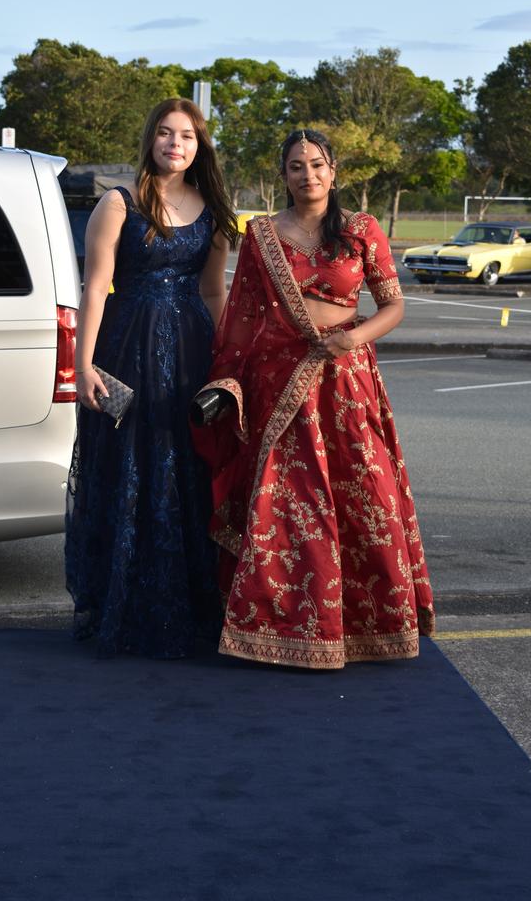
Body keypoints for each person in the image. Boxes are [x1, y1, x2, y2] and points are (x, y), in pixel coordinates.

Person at [192, 128, 435, 669]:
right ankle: (284, 628)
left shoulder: (360, 229)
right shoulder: (261, 235)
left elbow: (393, 307)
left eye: (318, 165)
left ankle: (373, 625)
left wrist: (354, 336)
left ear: (334, 171)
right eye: (297, 166)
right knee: (289, 506)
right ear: (283, 175)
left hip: (346, 380)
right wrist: (229, 377)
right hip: (279, 382)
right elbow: (243, 316)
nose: (309, 175)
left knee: (365, 494)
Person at [65, 98, 238, 659]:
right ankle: (124, 605)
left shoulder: (213, 211)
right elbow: (94, 288)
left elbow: (214, 291)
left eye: (186, 136)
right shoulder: (119, 202)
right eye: (165, 133)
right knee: (130, 468)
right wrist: (84, 364)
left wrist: (227, 362)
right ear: (150, 140)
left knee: (186, 468)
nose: (175, 144)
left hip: (192, 353)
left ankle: (188, 605)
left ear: (198, 146)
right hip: (127, 345)